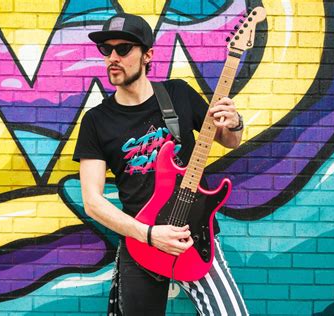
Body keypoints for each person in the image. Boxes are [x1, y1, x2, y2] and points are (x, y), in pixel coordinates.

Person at [73, 13, 248, 315]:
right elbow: (92, 202)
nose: (112, 58)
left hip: (196, 235)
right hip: (141, 242)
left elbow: (228, 140)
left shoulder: (177, 94)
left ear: (147, 55)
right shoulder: (96, 121)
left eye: (123, 49)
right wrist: (150, 235)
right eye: (107, 50)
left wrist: (234, 123)